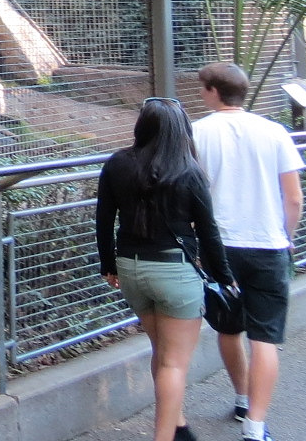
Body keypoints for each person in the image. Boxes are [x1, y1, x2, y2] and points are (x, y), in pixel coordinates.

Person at [97, 96, 234, 441]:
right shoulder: (188, 171)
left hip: (131, 269)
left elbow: (103, 220)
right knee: (175, 362)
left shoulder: (117, 163)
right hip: (174, 272)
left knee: (161, 350)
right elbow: (208, 232)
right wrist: (224, 277)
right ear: (181, 130)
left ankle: (179, 424)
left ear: (142, 126)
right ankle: (165, 436)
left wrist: (108, 265)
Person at [192, 61, 305, 441]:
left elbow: (189, 194)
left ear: (212, 91)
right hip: (268, 244)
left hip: (218, 247)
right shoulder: (275, 132)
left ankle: (241, 397)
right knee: (266, 337)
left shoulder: (196, 133)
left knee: (228, 327)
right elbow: (293, 198)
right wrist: (286, 237)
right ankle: (256, 425)